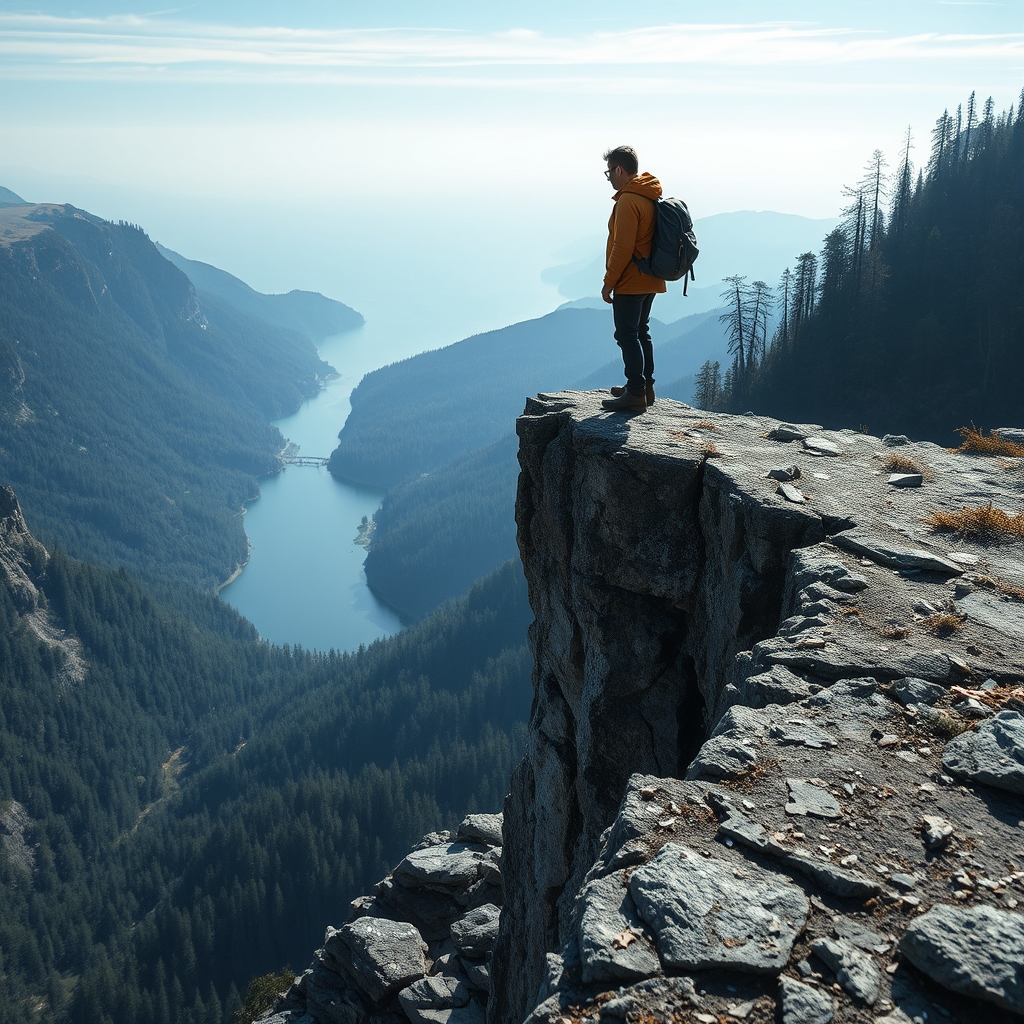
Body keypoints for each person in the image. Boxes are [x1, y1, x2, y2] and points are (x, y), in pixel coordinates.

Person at [599, 145, 665, 413]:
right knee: (641, 332)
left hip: (631, 279)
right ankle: (644, 387)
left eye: (609, 173)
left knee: (626, 335)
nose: (609, 179)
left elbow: (622, 246)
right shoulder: (648, 194)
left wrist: (609, 282)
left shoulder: (628, 200)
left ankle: (635, 394)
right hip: (650, 276)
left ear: (619, 169)